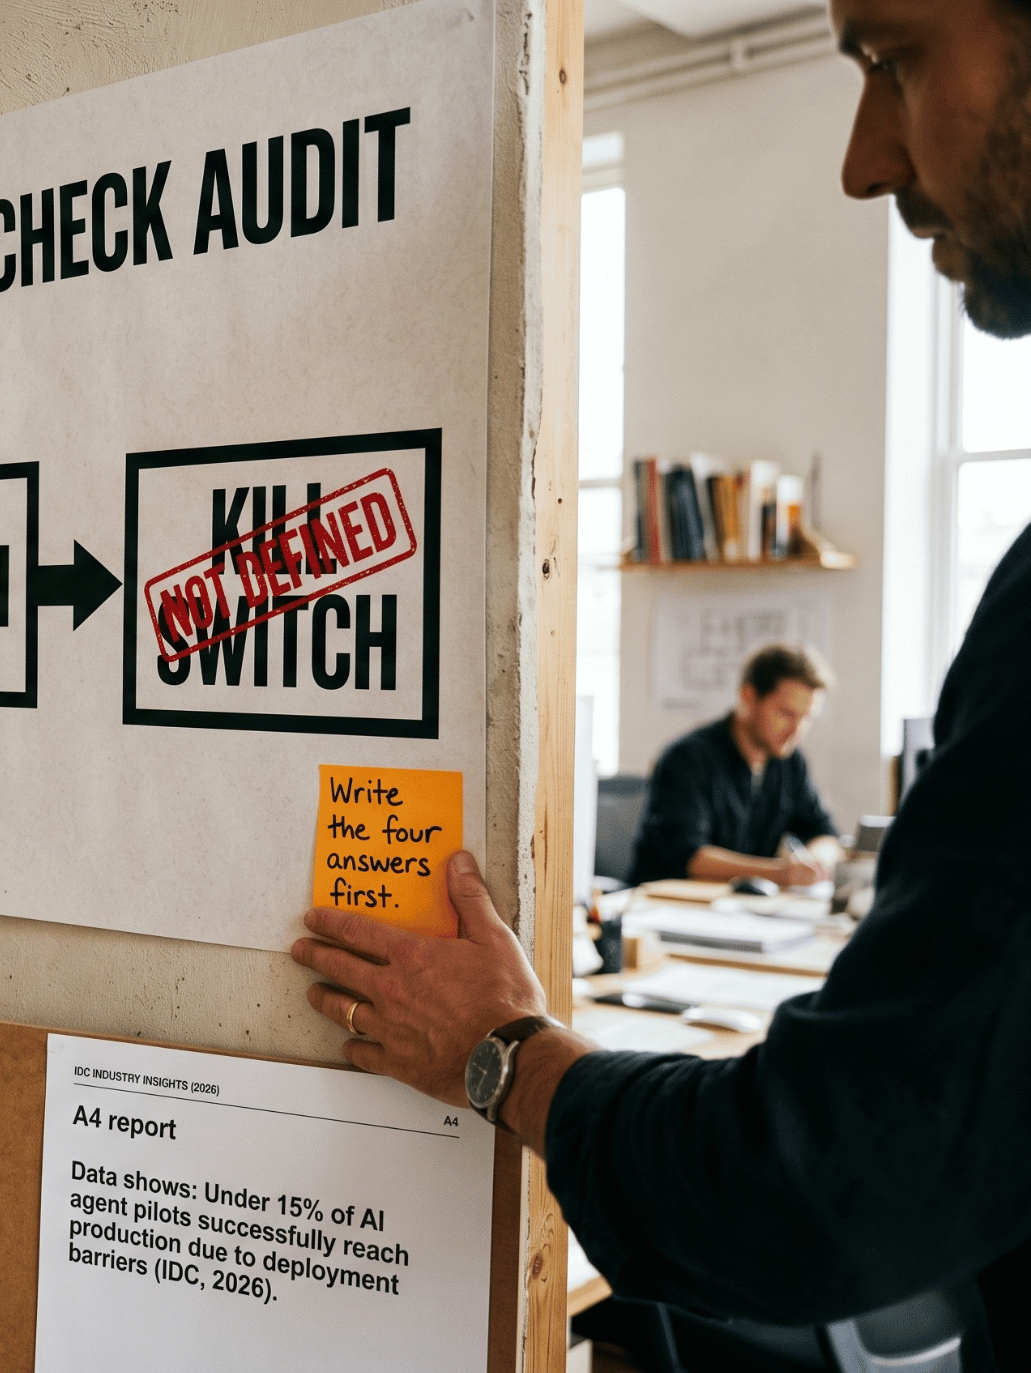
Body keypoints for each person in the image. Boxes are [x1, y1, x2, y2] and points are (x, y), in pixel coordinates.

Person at [290, 0, 1031, 1363]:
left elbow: (821, 1175)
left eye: (892, 57)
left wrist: (503, 1049)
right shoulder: (700, 758)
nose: (861, 160)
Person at [629, 644, 844, 887]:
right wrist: (781, 873)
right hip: (668, 901)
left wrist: (817, 860)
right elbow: (687, 856)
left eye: (806, 718)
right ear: (748, 697)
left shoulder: (790, 761)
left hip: (740, 903)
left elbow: (825, 833)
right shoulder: (687, 758)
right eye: (786, 714)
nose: (797, 730)